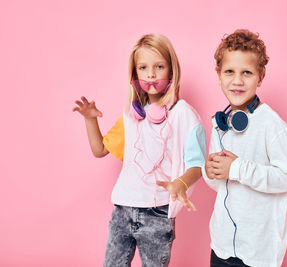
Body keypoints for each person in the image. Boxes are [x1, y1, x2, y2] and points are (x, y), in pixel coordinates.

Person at [73, 33, 206, 267]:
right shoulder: (132, 114)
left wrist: (181, 183)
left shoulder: (183, 114)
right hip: (122, 209)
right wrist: (90, 120)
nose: (151, 74)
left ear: (172, 71)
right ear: (135, 75)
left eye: (159, 66)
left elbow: (198, 164)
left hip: (157, 213)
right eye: (143, 68)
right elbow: (99, 150)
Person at [203, 29, 287, 267]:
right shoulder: (220, 124)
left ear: (260, 76)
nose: (237, 81)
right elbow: (219, 184)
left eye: (246, 72)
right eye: (229, 72)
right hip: (222, 245)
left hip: (258, 252)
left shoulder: (273, 126)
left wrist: (237, 168)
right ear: (218, 75)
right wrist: (210, 171)